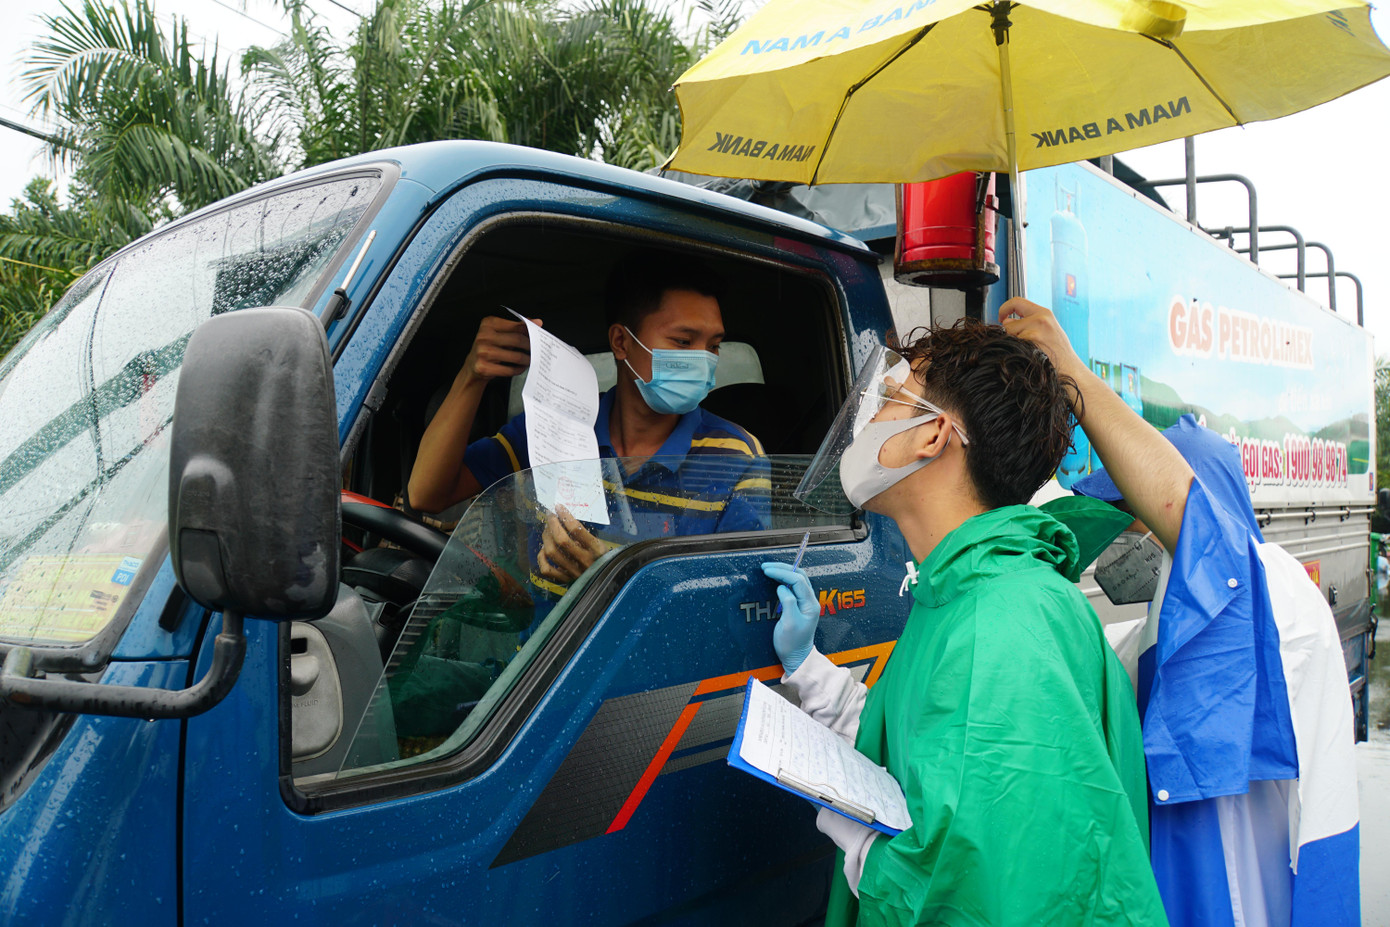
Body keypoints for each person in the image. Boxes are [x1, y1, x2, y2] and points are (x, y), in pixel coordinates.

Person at [763, 319, 1168, 925]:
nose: (870, 421)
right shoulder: (967, 593)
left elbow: (986, 894)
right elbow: (927, 758)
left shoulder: (1000, 625)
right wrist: (809, 671)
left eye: (892, 401)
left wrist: (860, 841)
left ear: (932, 434)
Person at [1003, 297, 1360, 927]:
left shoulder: (1272, 592)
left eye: (1134, 511)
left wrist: (1077, 380)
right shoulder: (1158, 628)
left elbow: (1192, 526)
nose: (1125, 534)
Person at [408, 249, 769, 595]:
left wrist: (611, 577)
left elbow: (734, 605)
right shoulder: (554, 425)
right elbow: (428, 493)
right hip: (542, 657)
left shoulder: (737, 456)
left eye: (714, 346)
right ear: (621, 342)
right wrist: (472, 376)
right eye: (684, 340)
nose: (703, 361)